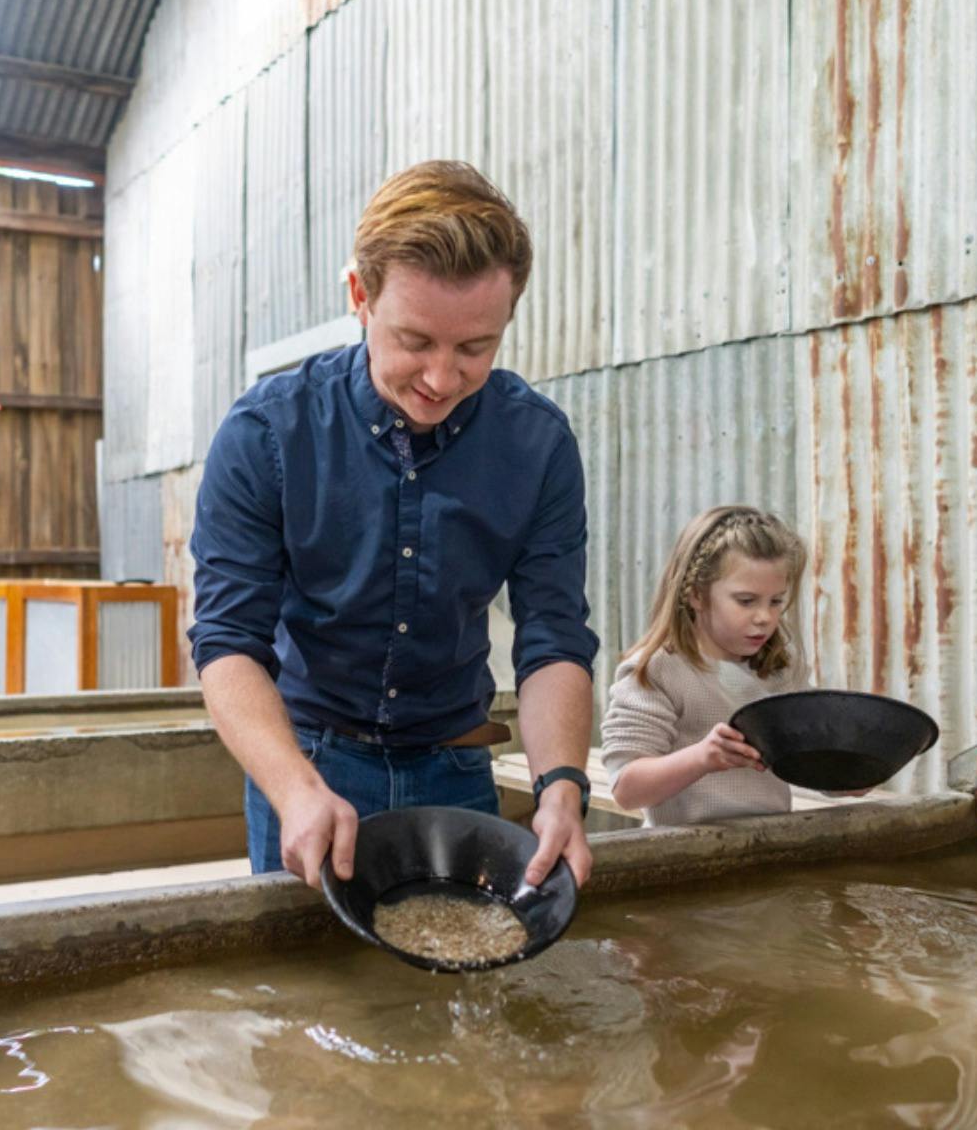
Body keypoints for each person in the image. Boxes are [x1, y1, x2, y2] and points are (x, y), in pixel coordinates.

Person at [189, 160, 599, 892]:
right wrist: (295, 790)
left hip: (457, 762)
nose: (442, 378)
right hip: (308, 764)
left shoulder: (538, 445)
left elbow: (555, 637)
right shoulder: (267, 434)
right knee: (311, 995)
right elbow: (227, 645)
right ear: (360, 296)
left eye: (475, 348)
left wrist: (561, 785)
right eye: (415, 341)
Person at [600, 505, 840, 827]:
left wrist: (851, 775)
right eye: (746, 601)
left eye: (776, 601)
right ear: (697, 594)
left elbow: (807, 760)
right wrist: (702, 758)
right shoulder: (659, 670)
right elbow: (627, 789)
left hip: (769, 852)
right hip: (682, 859)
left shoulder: (781, 670)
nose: (764, 617)